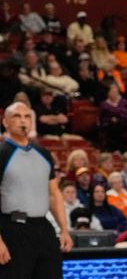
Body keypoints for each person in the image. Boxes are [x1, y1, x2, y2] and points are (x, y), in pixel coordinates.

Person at [0, 102, 73, 278]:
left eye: (27, 116)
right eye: (16, 116)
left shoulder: (44, 154)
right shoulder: (2, 153)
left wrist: (64, 229)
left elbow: (54, 194)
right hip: (12, 228)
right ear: (5, 122)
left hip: (43, 228)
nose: (22, 121)